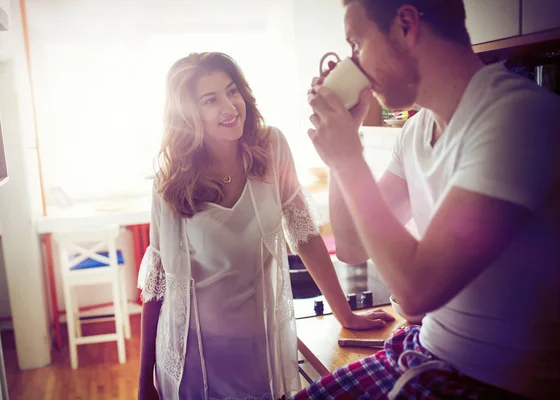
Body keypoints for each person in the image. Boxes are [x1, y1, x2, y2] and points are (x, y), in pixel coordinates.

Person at [297, 0, 560, 399]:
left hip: (492, 383)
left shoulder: (517, 116)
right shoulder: (417, 131)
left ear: (406, 25)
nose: (356, 64)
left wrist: (349, 158)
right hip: (425, 352)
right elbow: (351, 246)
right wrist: (340, 155)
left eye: (357, 44)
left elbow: (417, 289)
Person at [136, 52, 394, 400]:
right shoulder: (170, 182)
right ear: (187, 113)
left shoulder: (271, 147)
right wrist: (143, 383)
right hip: (194, 361)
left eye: (232, 91)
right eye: (210, 100)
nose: (229, 106)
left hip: (262, 351)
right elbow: (157, 286)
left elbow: (304, 234)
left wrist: (345, 314)